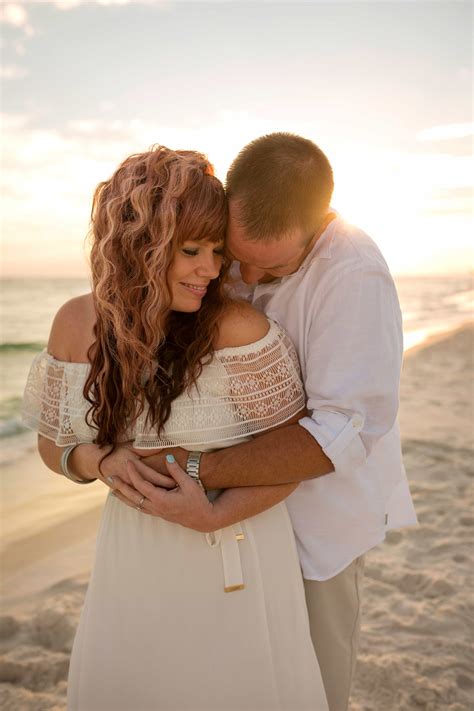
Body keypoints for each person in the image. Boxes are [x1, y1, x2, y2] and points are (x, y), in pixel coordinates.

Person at [109, 133, 418, 711]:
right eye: (235, 254)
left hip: (315, 529)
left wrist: (196, 468)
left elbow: (341, 431)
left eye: (269, 266)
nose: (241, 274)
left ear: (320, 221)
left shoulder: (354, 275)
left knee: (314, 688)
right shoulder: (225, 250)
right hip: (225, 531)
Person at [22, 145, 329, 710]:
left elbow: (298, 454)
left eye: (216, 250)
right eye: (191, 250)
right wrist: (101, 461)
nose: (211, 270)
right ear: (138, 244)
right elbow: (53, 444)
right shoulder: (75, 322)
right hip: (132, 546)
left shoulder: (239, 329)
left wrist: (212, 511)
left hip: (235, 543)